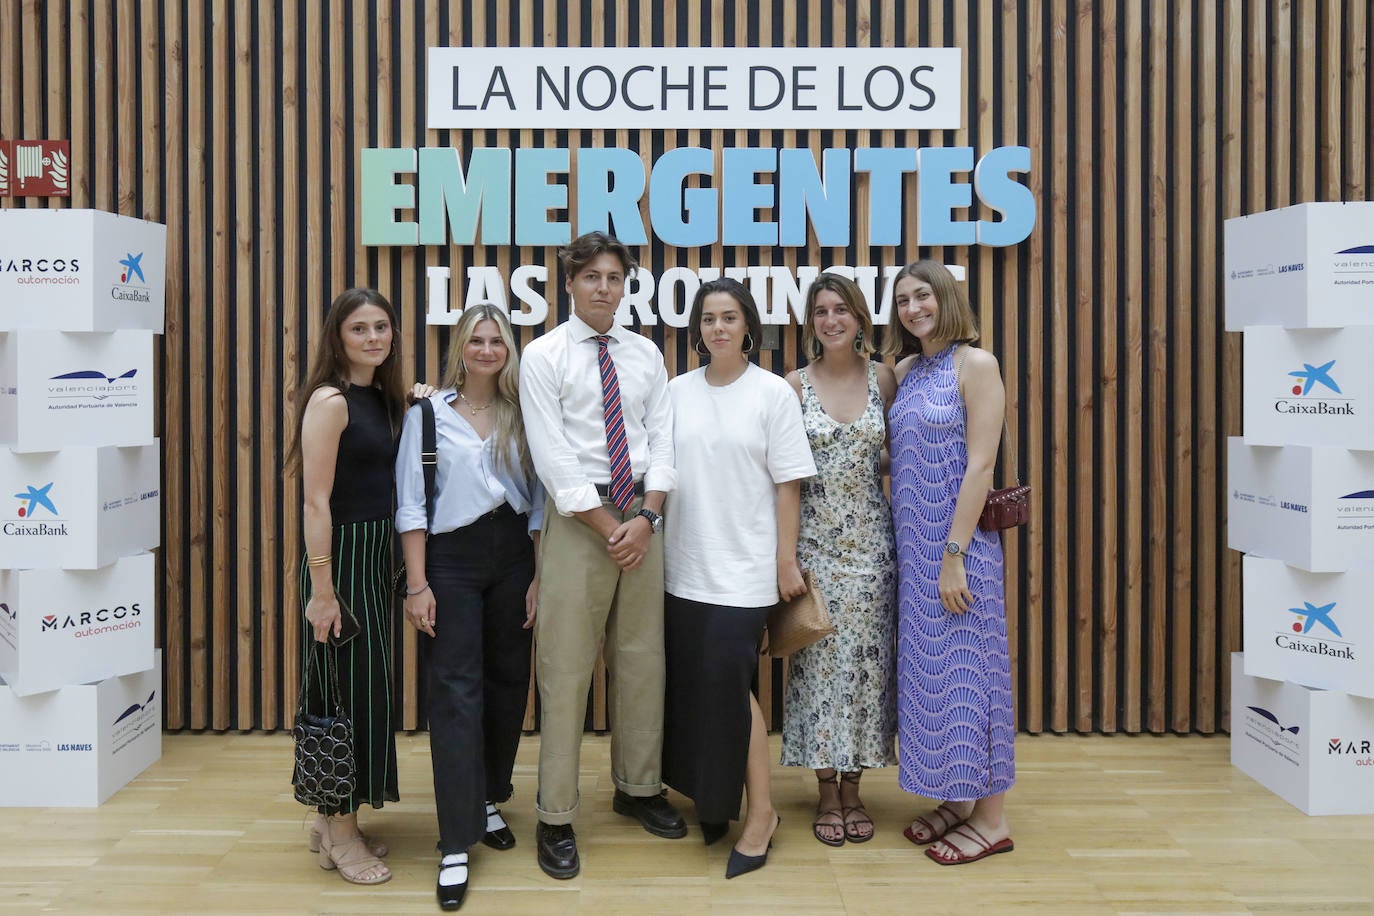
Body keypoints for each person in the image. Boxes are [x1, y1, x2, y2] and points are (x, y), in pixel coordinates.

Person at [518, 231, 685, 880]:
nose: (604, 288)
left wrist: (646, 517)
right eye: (591, 277)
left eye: (614, 277)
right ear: (570, 282)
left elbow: (663, 443)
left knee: (643, 663)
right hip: (578, 528)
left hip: (644, 524)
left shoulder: (646, 356)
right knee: (564, 673)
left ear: (626, 285)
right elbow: (553, 456)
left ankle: (637, 787)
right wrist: (611, 523)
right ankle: (555, 815)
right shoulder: (543, 356)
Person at [662, 277, 815, 878]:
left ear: (748, 325)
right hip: (683, 566)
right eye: (707, 319)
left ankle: (762, 813)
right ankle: (715, 799)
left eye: (729, 317)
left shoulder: (773, 393)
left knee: (731, 687)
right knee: (699, 688)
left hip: (747, 568)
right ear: (697, 330)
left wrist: (784, 560)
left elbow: (788, 485)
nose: (718, 328)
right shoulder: (676, 391)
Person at [395, 304, 544, 910]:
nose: (487, 350)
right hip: (449, 562)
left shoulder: (522, 415)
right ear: (461, 347)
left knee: (509, 685)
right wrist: (417, 584)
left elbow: (537, 505)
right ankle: (455, 841)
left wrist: (537, 576)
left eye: (497, 341)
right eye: (477, 341)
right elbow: (409, 504)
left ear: (508, 350)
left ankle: (484, 800)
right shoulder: (427, 415)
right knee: (455, 694)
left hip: (512, 558)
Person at [886, 260, 1016, 866]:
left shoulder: (977, 364)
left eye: (924, 296)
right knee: (934, 682)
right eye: (904, 300)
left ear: (946, 299)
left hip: (959, 553)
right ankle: (956, 798)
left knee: (973, 678)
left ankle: (990, 819)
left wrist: (954, 556)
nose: (914, 308)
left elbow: (981, 466)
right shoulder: (909, 369)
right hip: (915, 555)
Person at [285, 287, 408, 886]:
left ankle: (329, 817)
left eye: (381, 327)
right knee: (340, 697)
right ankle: (340, 834)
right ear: (338, 336)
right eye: (359, 329)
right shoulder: (330, 401)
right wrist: (323, 590)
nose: (373, 338)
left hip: (375, 556)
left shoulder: (379, 397)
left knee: (361, 690)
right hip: (341, 562)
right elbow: (314, 499)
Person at [780, 272, 898, 847]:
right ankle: (827, 790)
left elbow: (898, 463)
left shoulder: (884, 379)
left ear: (859, 318)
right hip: (814, 548)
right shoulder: (793, 385)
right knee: (818, 670)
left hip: (874, 548)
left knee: (866, 672)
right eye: (821, 311)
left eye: (842, 310)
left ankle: (856, 788)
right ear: (812, 322)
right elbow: (782, 480)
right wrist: (785, 557)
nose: (832, 320)